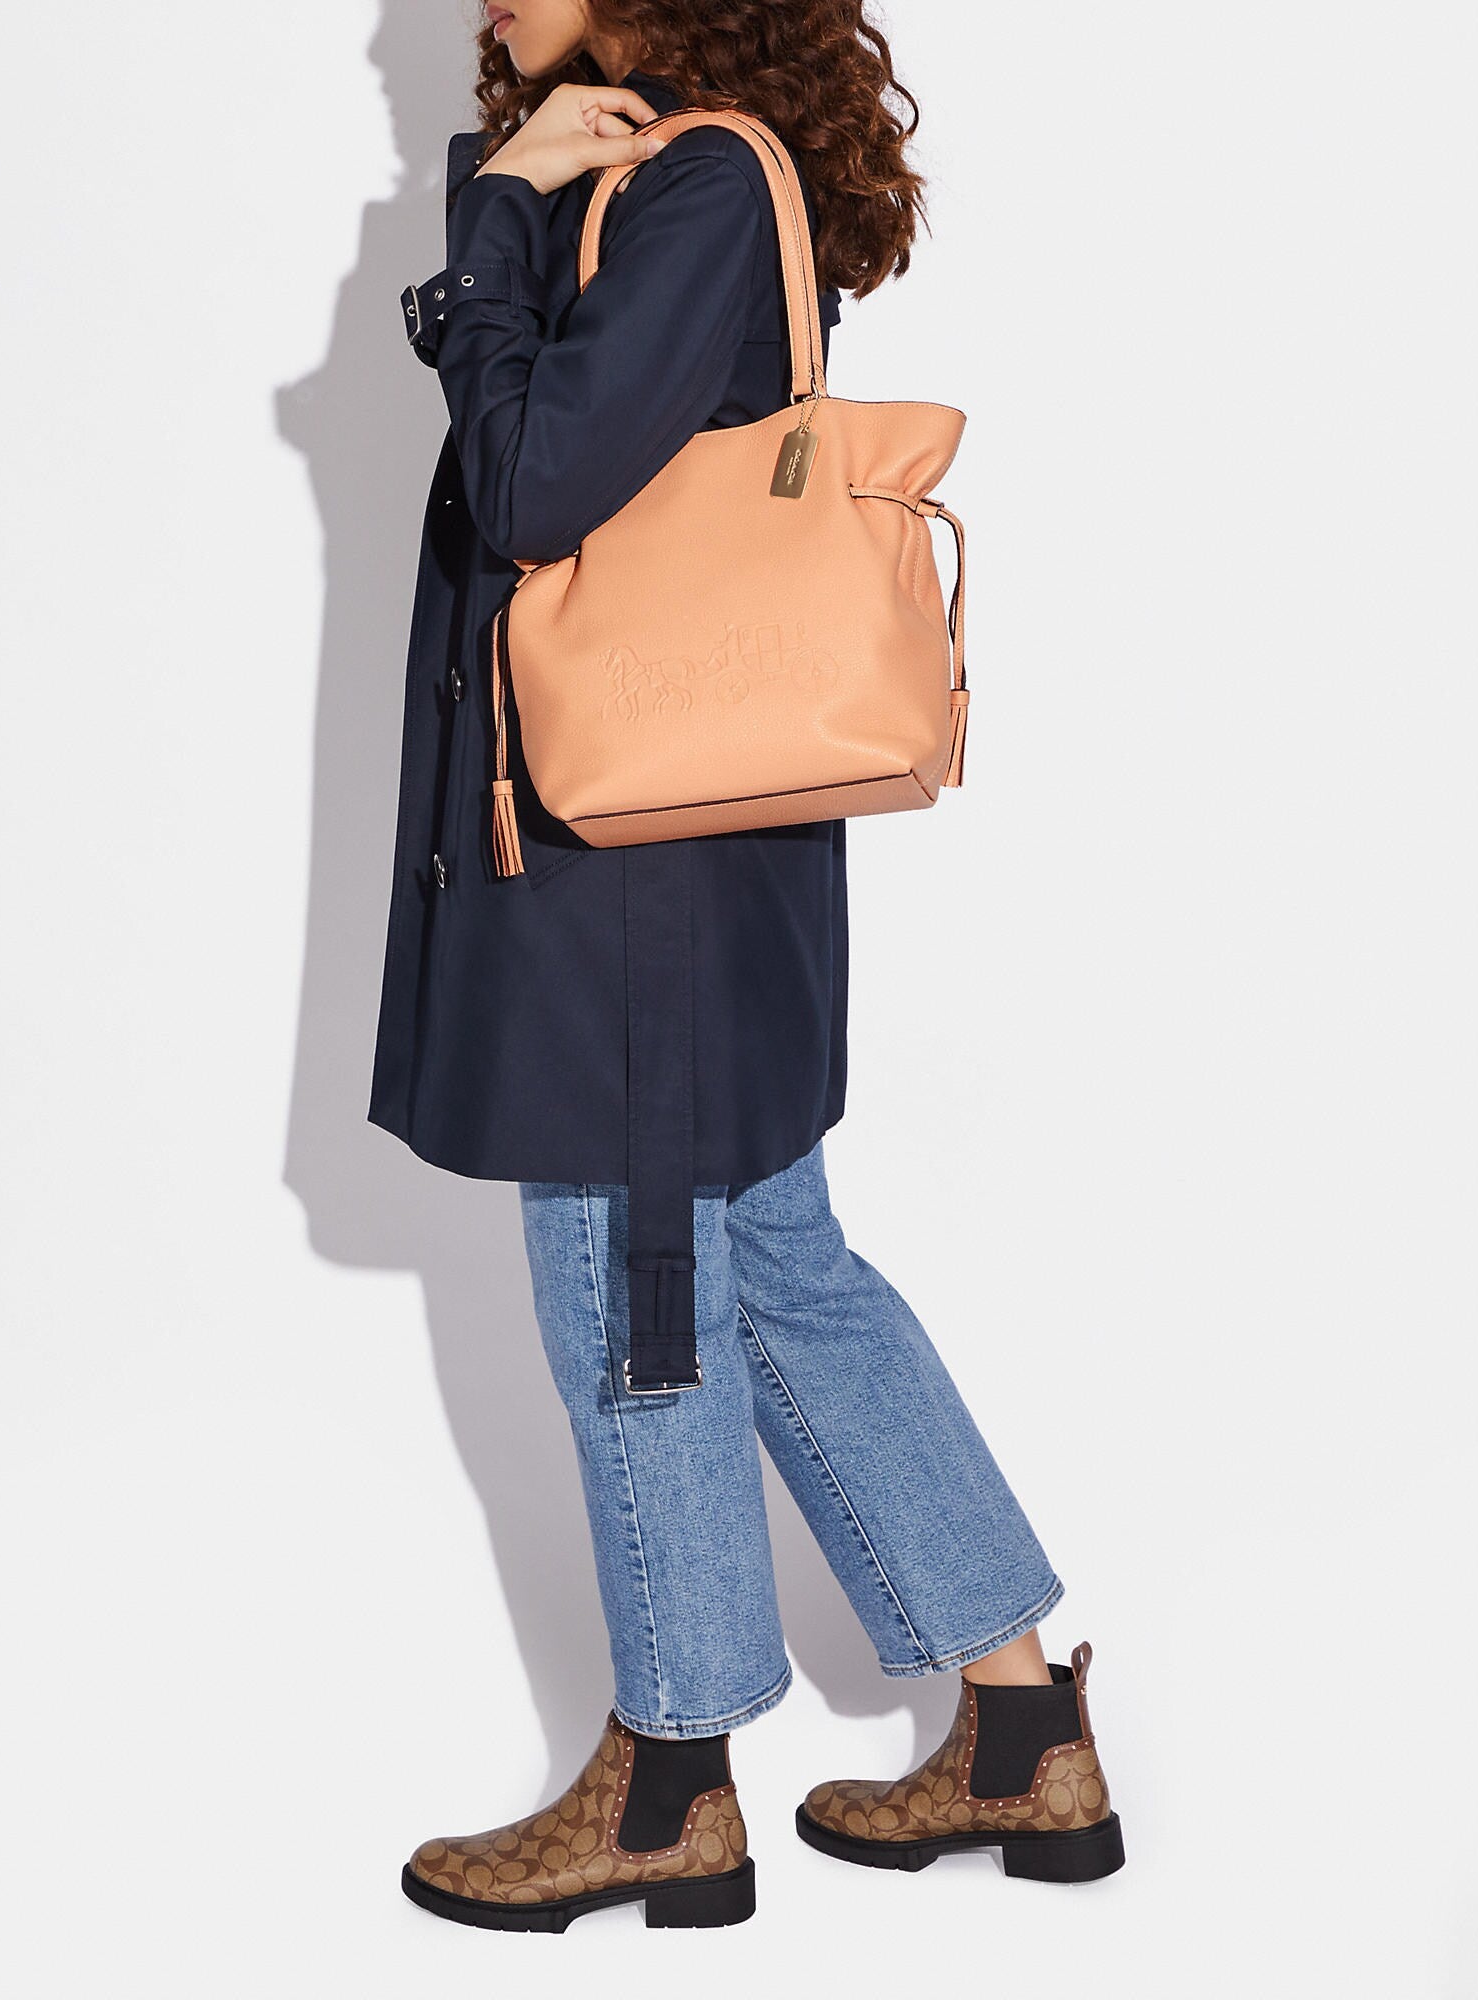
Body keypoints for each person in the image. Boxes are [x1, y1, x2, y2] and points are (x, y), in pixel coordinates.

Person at [371, 0, 1126, 1932]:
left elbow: (532, 486)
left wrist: (496, 217)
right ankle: (1021, 1730)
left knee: (641, 1306)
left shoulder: (698, 188)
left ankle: (671, 1788)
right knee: (780, 1274)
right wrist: (526, 201)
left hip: (635, 887)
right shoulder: (668, 180)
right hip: (695, 869)